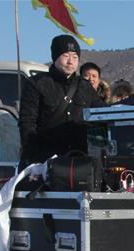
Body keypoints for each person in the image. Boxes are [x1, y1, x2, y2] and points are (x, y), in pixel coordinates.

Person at [18, 35, 105, 168]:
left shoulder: (85, 86)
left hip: (79, 161)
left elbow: (102, 114)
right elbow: (27, 122)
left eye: (75, 57)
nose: (70, 61)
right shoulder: (37, 83)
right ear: (55, 57)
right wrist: (34, 158)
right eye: (66, 55)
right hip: (45, 161)